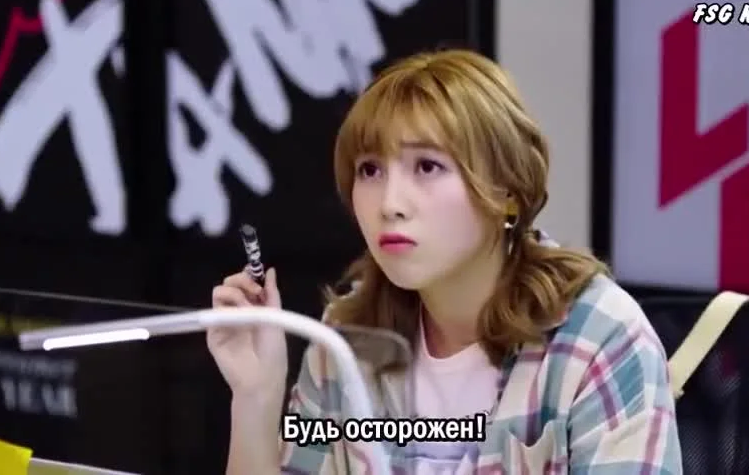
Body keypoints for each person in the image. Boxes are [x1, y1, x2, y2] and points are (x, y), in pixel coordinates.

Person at [208, 49, 682, 474]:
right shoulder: (347, 338)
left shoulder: (600, 337)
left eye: (427, 167)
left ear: (507, 192)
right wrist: (256, 396)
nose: (390, 203)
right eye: (370, 170)